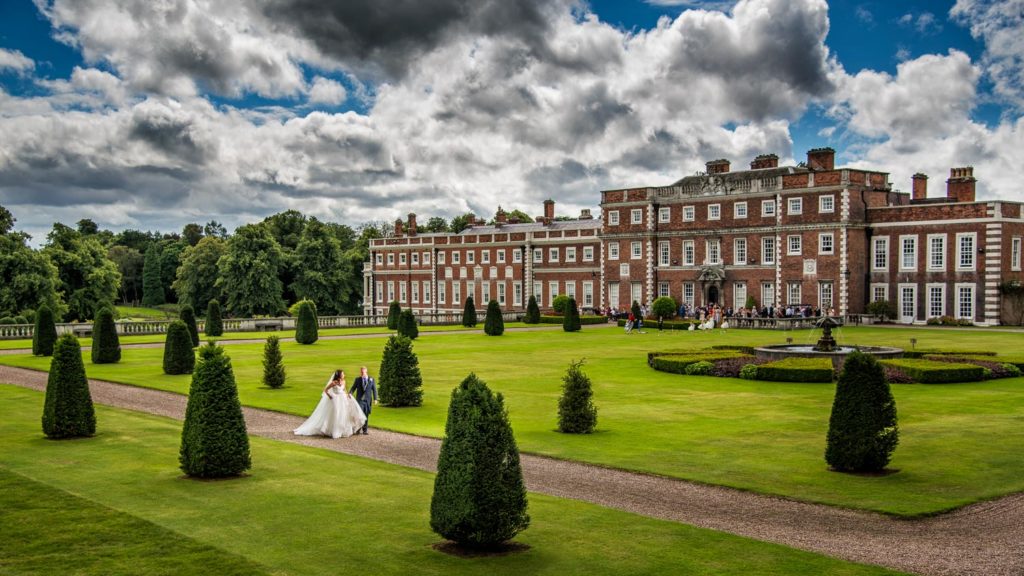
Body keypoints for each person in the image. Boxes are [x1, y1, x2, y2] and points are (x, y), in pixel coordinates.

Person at [294, 369, 366, 439]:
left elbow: (345, 391)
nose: (344, 375)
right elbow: (326, 390)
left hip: (343, 400)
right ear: (339, 375)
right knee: (336, 414)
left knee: (344, 414)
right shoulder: (334, 382)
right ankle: (333, 431)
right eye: (343, 374)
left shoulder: (344, 382)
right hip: (336, 400)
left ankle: (343, 431)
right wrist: (330, 396)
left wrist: (348, 395)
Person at [350, 366, 378, 435]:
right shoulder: (358, 379)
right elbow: (353, 388)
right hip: (360, 400)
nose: (362, 373)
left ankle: (365, 430)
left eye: (363, 372)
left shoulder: (371, 379)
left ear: (366, 372)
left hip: (367, 401)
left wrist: (375, 399)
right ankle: (358, 429)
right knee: (359, 414)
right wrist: (350, 393)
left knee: (366, 415)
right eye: (361, 372)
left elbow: (374, 390)